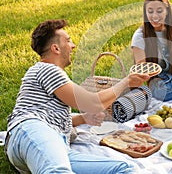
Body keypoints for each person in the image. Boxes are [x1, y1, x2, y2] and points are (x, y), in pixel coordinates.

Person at [5, 19, 149, 174]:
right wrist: (126, 81)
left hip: (58, 145)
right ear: (56, 48)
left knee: (124, 169)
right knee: (58, 171)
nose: (73, 45)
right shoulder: (47, 69)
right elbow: (93, 103)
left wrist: (83, 118)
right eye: (68, 40)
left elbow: (54, 116)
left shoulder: (53, 78)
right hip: (31, 130)